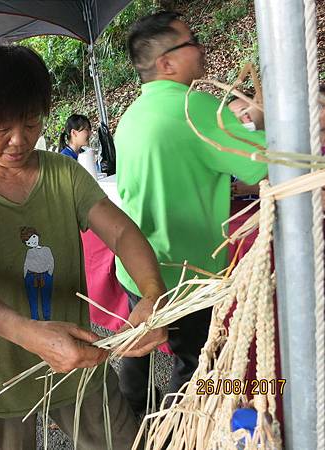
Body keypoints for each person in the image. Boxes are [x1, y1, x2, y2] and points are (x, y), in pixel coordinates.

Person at [0, 44, 168, 450]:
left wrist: (153, 294)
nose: (20, 139)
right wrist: (31, 335)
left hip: (76, 358)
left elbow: (121, 233)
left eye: (32, 122)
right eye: (2, 126)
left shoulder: (62, 173)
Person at [114, 11, 268, 416]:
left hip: (137, 264)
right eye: (190, 41)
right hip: (184, 273)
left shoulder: (130, 116)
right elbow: (265, 162)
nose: (199, 47)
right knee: (197, 365)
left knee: (139, 347)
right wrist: (264, 117)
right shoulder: (193, 107)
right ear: (166, 62)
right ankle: (173, 431)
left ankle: (128, 423)